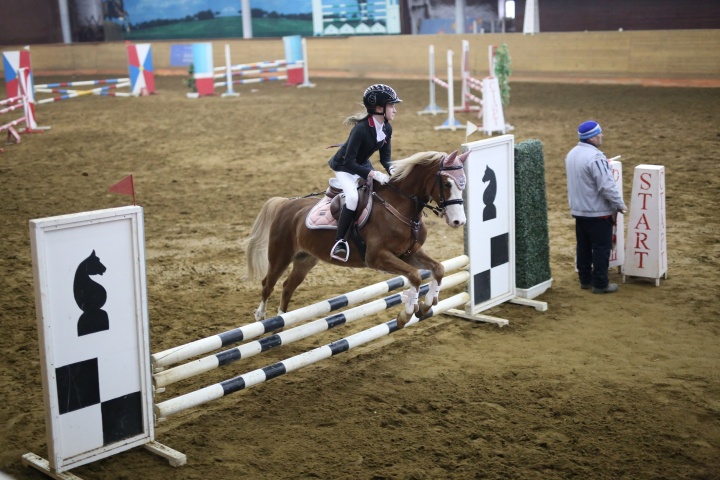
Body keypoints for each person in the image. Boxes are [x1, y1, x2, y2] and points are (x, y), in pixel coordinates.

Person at [327, 84, 402, 261]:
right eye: (392, 106)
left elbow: (385, 158)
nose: (395, 110)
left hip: (361, 164)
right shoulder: (360, 129)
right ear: (378, 108)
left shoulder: (386, 128)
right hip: (344, 168)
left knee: (383, 190)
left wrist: (393, 170)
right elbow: (349, 162)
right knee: (353, 198)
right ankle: (340, 242)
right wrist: (372, 174)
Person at [565, 120, 627, 294]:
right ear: (592, 137)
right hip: (597, 212)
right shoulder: (596, 157)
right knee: (601, 248)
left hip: (579, 210)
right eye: (599, 133)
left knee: (583, 246)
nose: (602, 136)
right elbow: (606, 185)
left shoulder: (571, 154)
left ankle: (585, 280)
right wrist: (619, 204)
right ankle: (600, 283)